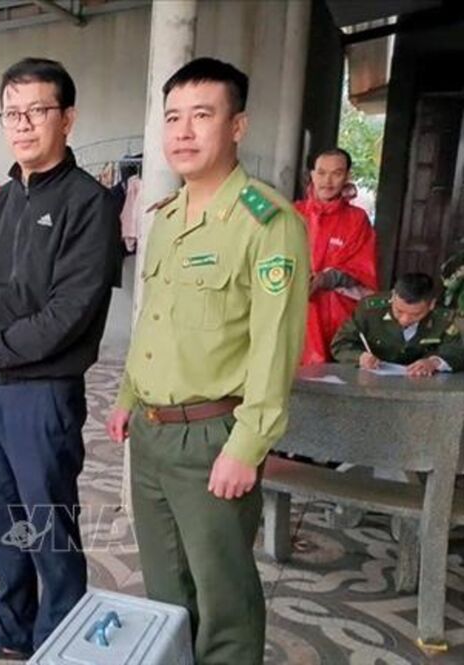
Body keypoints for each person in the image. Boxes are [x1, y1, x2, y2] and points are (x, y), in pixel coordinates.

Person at [106, 57, 309, 665]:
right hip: (152, 432)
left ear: (237, 126)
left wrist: (248, 445)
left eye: (202, 115)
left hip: (212, 436)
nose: (183, 132)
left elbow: (276, 345)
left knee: (222, 595)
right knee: (166, 587)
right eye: (173, 118)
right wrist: (127, 397)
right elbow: (155, 320)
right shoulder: (167, 217)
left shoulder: (266, 222)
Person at [0, 57, 120, 661]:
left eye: (37, 111)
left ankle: (58, 641)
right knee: (1, 520)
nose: (22, 124)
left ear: (67, 119)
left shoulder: (89, 203)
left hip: (43, 392)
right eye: (11, 113)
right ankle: (13, 629)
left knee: (48, 524)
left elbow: (69, 312)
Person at [295, 147, 378, 364]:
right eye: (321, 173)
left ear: (347, 176)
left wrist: (326, 279)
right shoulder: (293, 213)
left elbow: (362, 271)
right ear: (312, 174)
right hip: (296, 310)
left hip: (337, 314)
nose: (327, 181)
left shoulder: (357, 219)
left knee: (334, 372)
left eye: (337, 173)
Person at [331, 272, 464, 375]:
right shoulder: (370, 310)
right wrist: (360, 357)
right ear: (393, 296)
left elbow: (457, 351)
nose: (404, 319)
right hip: (369, 381)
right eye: (399, 311)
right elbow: (340, 344)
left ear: (431, 305)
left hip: (421, 385)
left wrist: (434, 362)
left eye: (415, 314)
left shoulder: (444, 318)